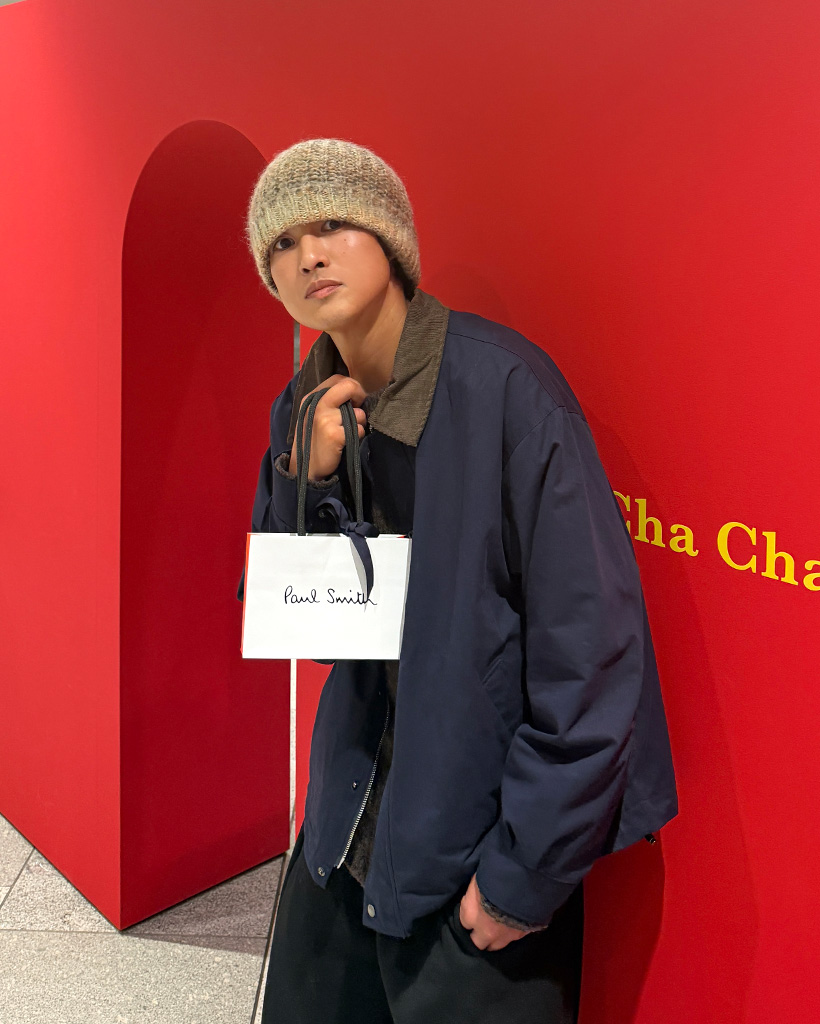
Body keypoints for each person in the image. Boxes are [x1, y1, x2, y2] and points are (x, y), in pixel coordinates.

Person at [238, 138, 678, 1024]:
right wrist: (306, 481)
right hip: (344, 835)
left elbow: (592, 654)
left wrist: (524, 872)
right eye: (281, 242)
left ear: (390, 238)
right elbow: (299, 631)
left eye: (333, 224)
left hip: (477, 856)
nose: (308, 255)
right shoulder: (306, 407)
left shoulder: (507, 390)